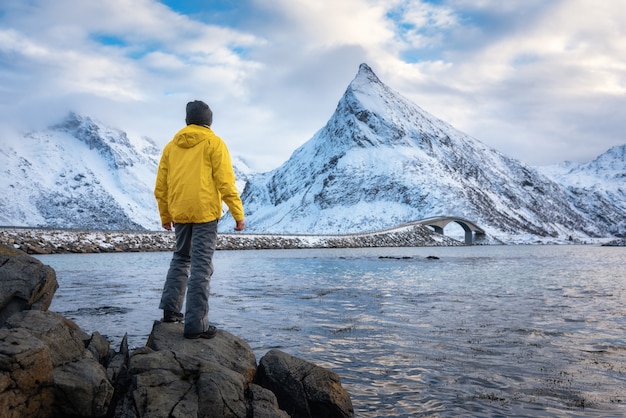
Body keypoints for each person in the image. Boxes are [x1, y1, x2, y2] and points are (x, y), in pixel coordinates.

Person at [154, 100, 245, 339]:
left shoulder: (171, 147)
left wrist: (165, 214)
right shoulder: (214, 143)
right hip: (205, 212)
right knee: (201, 266)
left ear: (187, 120)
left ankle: (171, 312)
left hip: (180, 212)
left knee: (181, 258)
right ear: (209, 120)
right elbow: (226, 183)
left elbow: (160, 187)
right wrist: (238, 214)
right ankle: (197, 325)